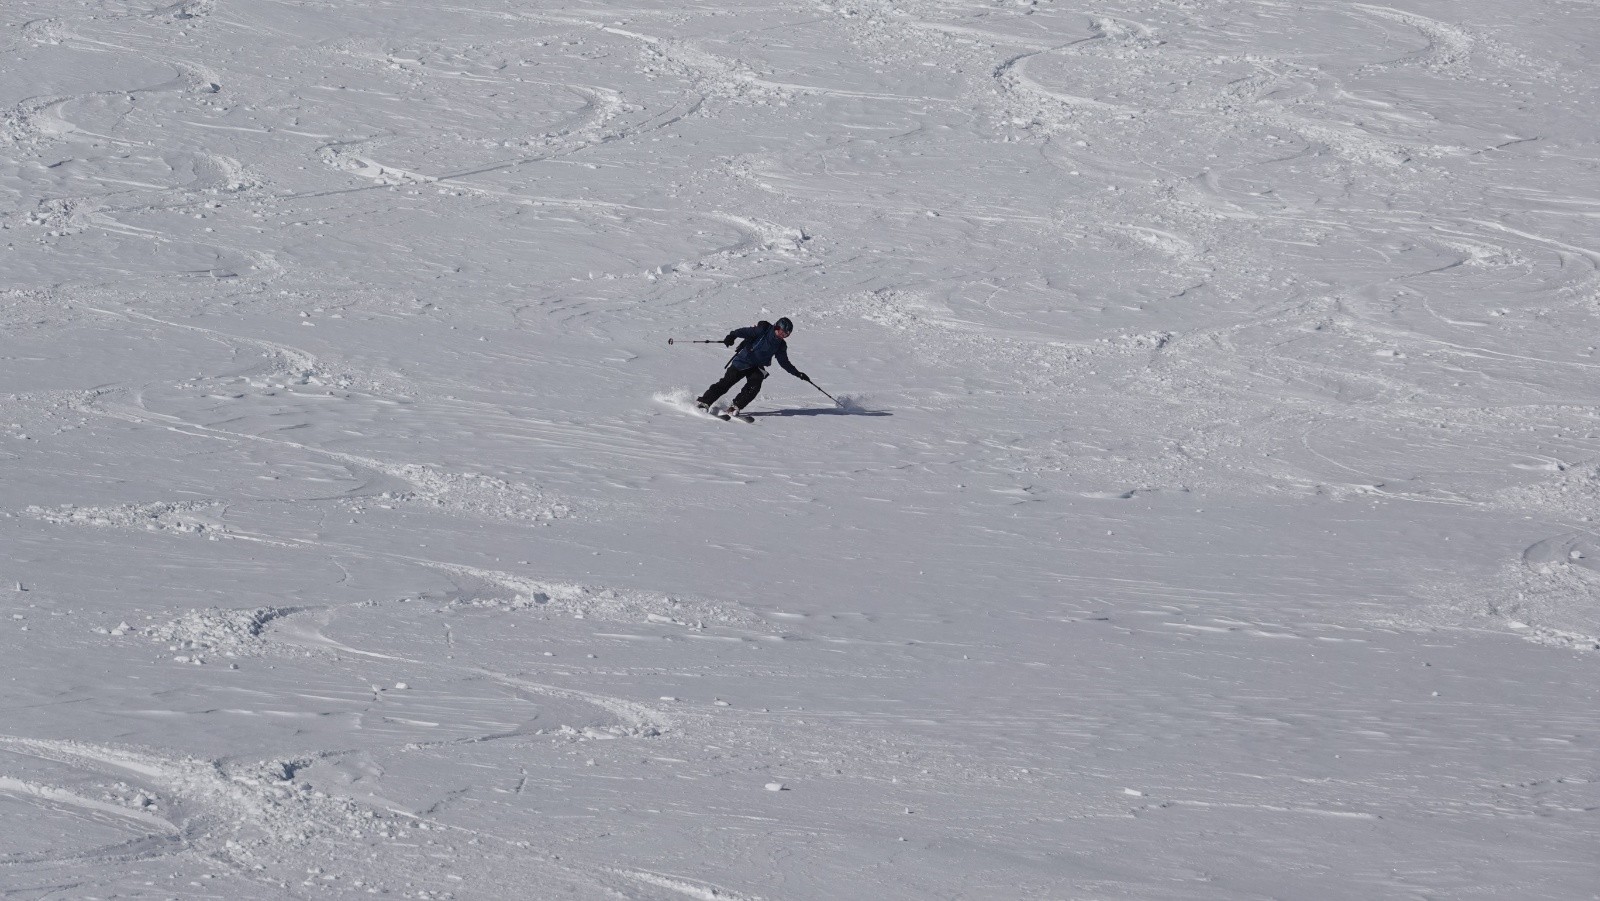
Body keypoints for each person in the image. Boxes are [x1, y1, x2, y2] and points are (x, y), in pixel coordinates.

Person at [696, 316, 809, 416]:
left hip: (756, 366)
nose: (783, 336)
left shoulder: (781, 345)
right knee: (726, 383)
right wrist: (732, 336)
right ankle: (705, 402)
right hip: (743, 361)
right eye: (782, 332)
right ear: (776, 328)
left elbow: (784, 362)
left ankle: (735, 406)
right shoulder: (763, 330)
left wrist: (797, 373)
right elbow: (744, 331)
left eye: (786, 334)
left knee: (755, 385)